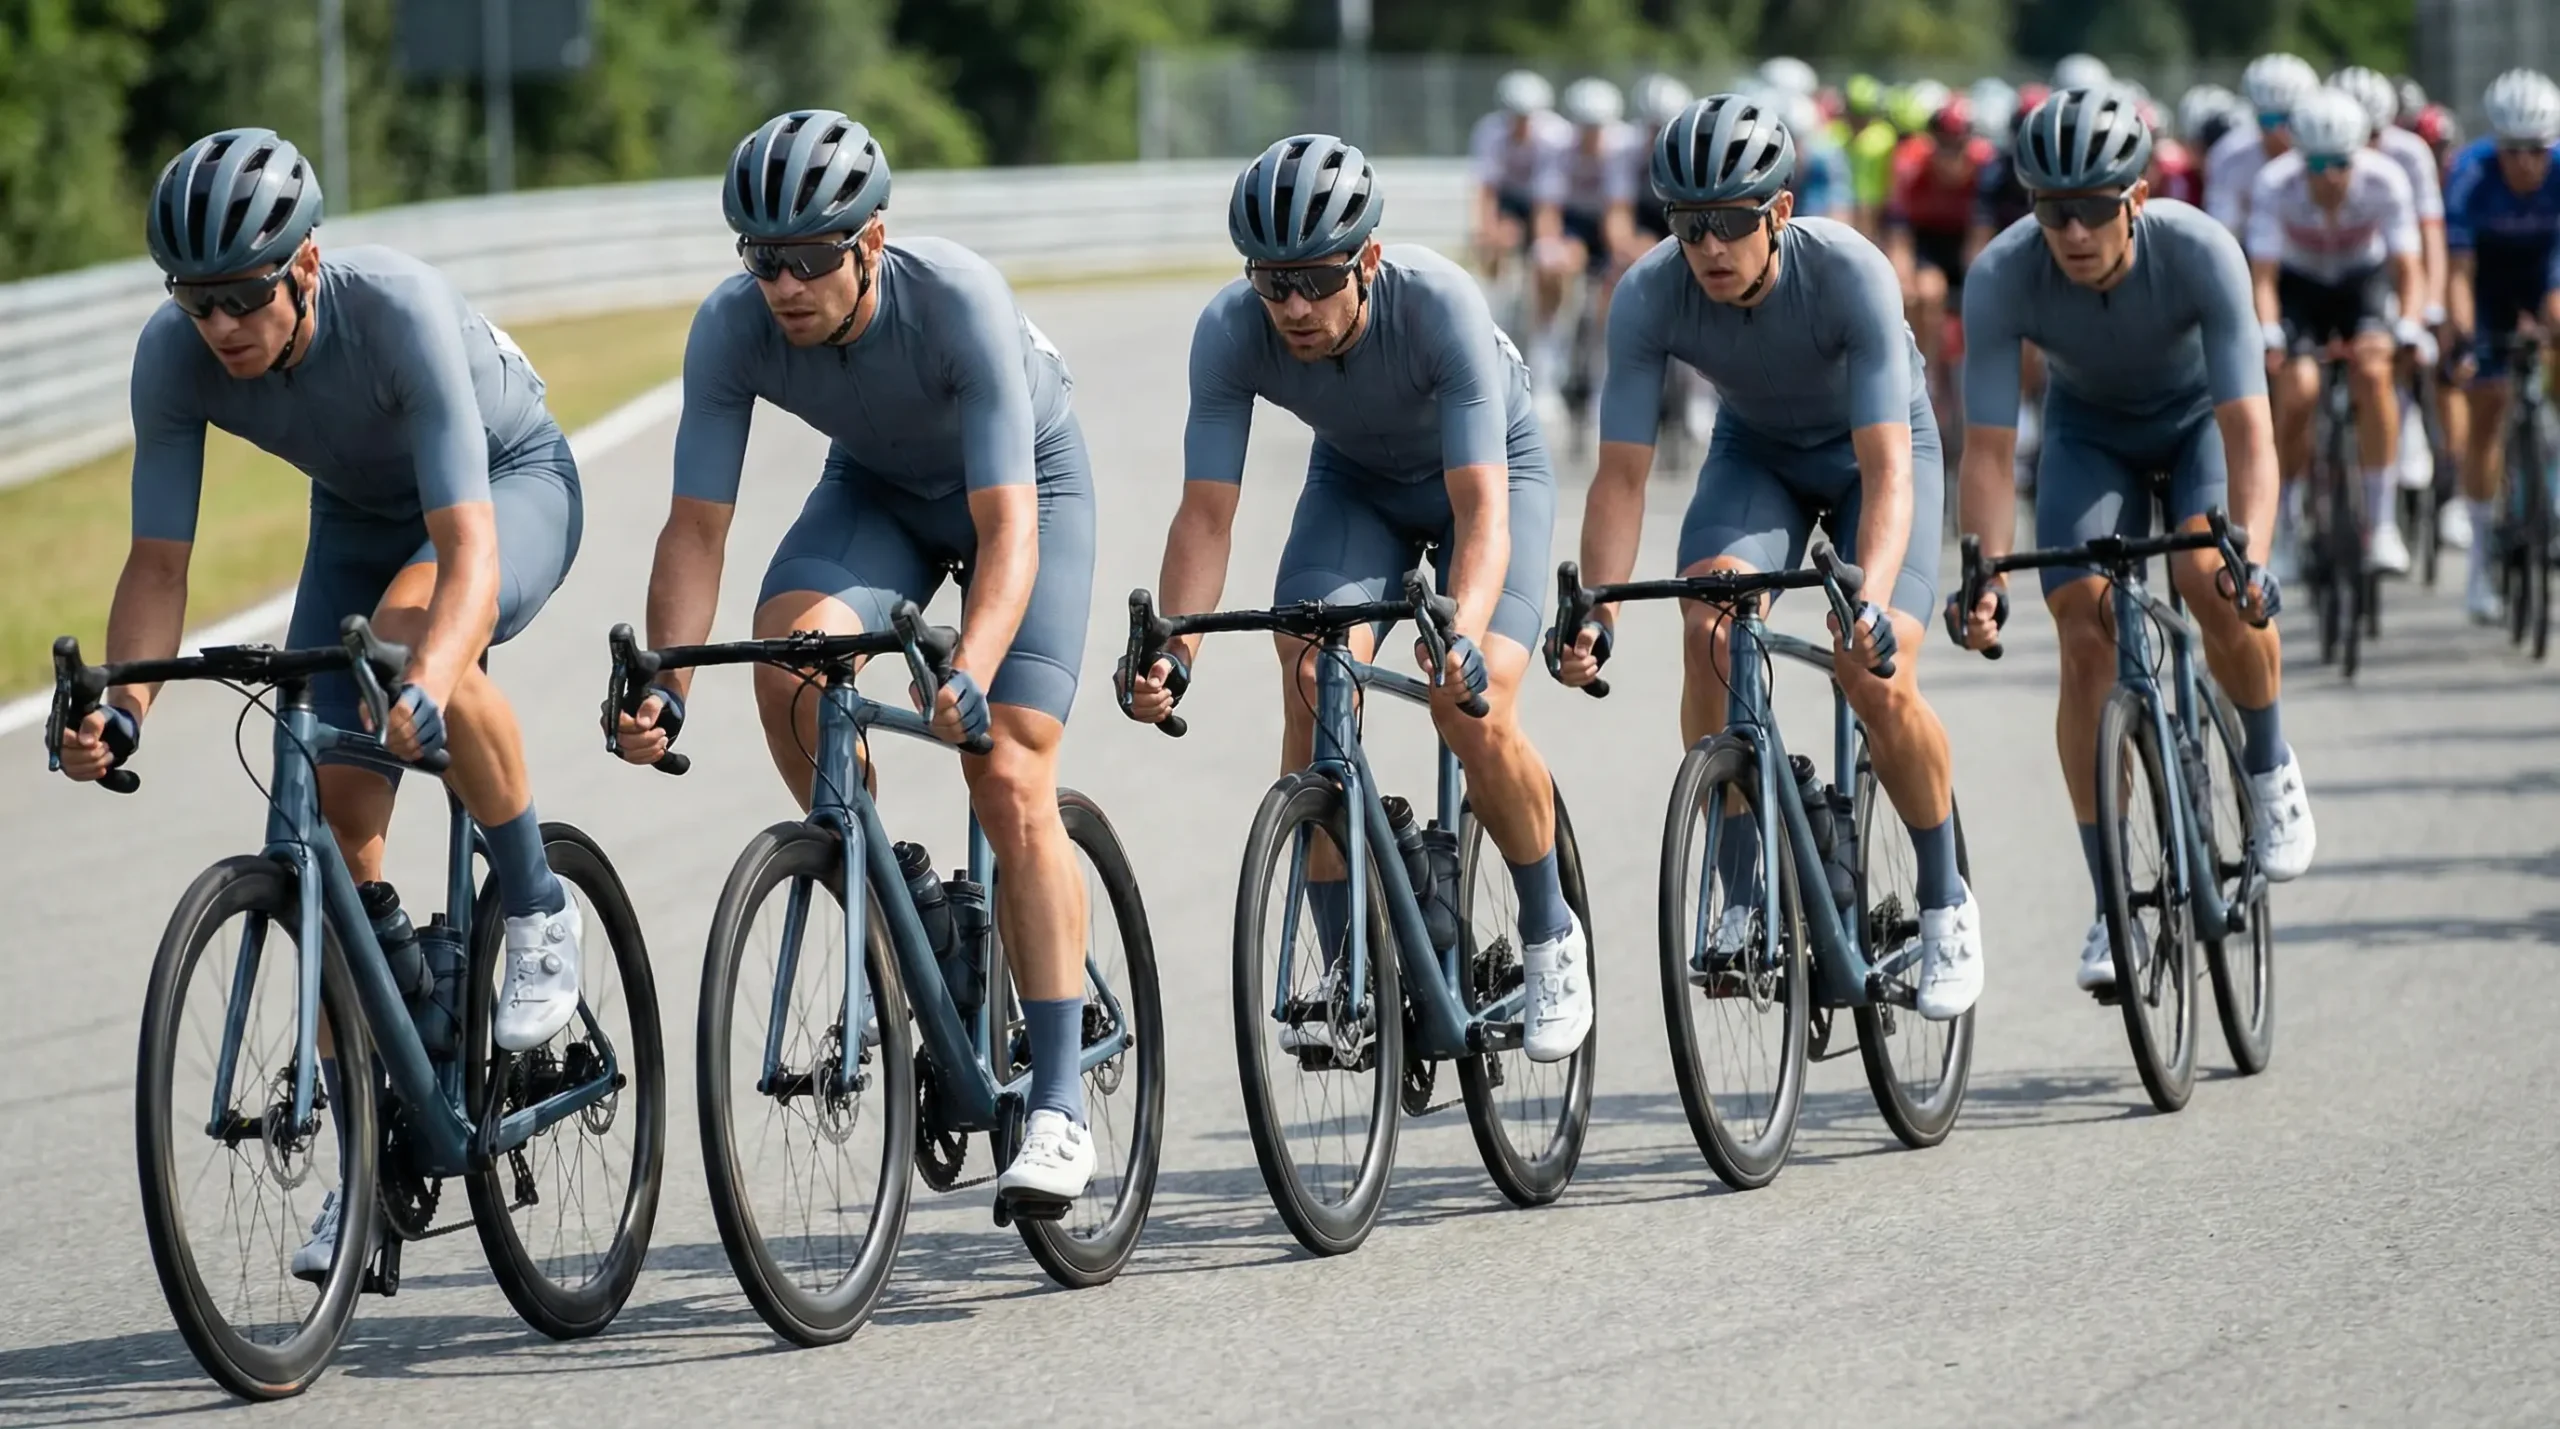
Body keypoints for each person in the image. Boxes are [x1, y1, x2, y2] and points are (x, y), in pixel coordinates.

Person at [64, 127, 589, 1276]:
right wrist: (124, 710)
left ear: (304, 266)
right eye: (195, 298)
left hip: (504, 488)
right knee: (333, 821)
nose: (219, 324)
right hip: (355, 521)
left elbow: (467, 553)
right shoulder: (174, 356)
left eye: (242, 295)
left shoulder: (395, 312)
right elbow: (159, 565)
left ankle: (541, 908)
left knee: (411, 641)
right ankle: (374, 1137)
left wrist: (433, 680)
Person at [609, 110, 1102, 1213]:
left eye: (810, 259)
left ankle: (1060, 1102)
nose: (783, 286)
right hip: (877, 493)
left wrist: (970, 669)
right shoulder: (732, 326)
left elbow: (1009, 530)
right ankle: (898, 895)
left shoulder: (957, 299)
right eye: (762, 259)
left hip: (1025, 493)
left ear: (870, 242)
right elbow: (696, 529)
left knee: (1008, 769)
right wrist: (667, 685)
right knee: (788, 667)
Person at [1124, 134, 1594, 1062]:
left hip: (1487, 478)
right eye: (1273, 282)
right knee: (1311, 677)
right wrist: (1176, 651)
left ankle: (1552, 932)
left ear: (1368, 259)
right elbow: (1206, 517)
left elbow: (1481, 511)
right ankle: (1350, 973)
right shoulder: (1232, 330)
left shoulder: (1440, 305)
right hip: (1357, 486)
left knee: (1474, 702)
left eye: (1315, 280)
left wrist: (1462, 634)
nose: (1293, 307)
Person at [1553, 93, 1984, 1020]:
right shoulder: (1649, 293)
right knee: (1708, 623)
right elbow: (1620, 477)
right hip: (1758, 455)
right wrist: (1600, 610)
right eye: (1688, 225)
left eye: (1731, 224)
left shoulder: (1850, 272)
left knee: (1876, 674)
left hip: (1878, 454)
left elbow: (1887, 469)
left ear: (1780, 212)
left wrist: (1870, 603)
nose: (1708, 247)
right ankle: (1745, 886)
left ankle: (1946, 897)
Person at [1953, 87, 2313, 992]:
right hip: (2090, 436)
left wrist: (2253, 557)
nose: (2073, 232)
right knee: (2082, 624)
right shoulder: (2002, 275)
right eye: (2052, 211)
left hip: (2199, 427)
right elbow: (1989, 453)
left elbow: (2250, 432)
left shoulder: (2201, 250)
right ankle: (2113, 901)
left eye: (2093, 208)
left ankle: (2268, 762)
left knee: (2207, 573)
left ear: (2138, 198)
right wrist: (1984, 574)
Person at [2247, 88, 2429, 577]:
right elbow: (2262, 275)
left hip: (2360, 282)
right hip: (2299, 284)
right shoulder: (2274, 182)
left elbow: (2408, 268)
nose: (2329, 176)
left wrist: (2408, 325)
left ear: (2360, 153)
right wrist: (2269, 332)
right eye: (2317, 163)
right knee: (2299, 389)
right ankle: (2285, 527)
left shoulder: (2385, 179)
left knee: (2374, 374)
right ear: (2299, 157)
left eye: (2341, 163)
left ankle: (2383, 524)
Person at [2444, 69, 2560, 622]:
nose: (2525, 163)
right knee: (2487, 406)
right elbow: (2459, 274)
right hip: (2486, 283)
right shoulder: (2470, 173)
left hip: (2546, 272)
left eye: (2537, 150)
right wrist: (2465, 339)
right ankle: (2479, 564)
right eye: (2512, 150)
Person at [2333, 65, 2460, 546]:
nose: (2364, 146)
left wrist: (2431, 306)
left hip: (2398, 262)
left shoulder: (2407, 155)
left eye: (2374, 135)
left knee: (2412, 338)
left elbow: (2430, 234)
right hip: (2347, 264)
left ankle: (2407, 424)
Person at [1530, 76, 1643, 401]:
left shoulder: (1621, 147)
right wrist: (1550, 249)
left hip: (1610, 221)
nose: (1591, 135)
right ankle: (1548, 369)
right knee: (1550, 268)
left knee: (1616, 284)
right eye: (1585, 127)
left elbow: (1618, 211)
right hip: (1574, 223)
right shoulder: (1558, 147)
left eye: (1597, 128)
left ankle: (1603, 378)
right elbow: (1547, 210)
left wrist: (1620, 254)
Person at [1886, 93, 1997, 387]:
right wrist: (1901, 281)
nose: (1950, 157)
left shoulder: (1986, 165)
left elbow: (1981, 233)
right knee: (1925, 293)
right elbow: (1899, 233)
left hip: (1966, 242)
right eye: (1943, 145)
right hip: (1928, 242)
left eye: (1957, 146)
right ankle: (1926, 374)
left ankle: (1975, 373)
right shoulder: (1913, 165)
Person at [1472, 71, 1570, 285]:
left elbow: (1548, 202)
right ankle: (1495, 290)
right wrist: (1487, 231)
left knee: (1547, 257)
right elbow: (1487, 189)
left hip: (1547, 201)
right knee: (1493, 242)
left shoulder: (1556, 136)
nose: (1522, 124)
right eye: (1516, 117)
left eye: (1527, 117)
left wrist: (1545, 246)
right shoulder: (1489, 131)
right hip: (1510, 199)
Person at [2209, 54, 2321, 240]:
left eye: (2289, 119)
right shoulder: (2228, 155)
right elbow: (2222, 233)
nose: (2278, 131)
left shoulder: (2326, 156)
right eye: (2268, 119)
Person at [1632, 74, 1698, 244]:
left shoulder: (1695, 156)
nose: (1659, 137)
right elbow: (1620, 213)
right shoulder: (1628, 150)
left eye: (1665, 129)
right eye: (1654, 129)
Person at [1837, 74, 1902, 235]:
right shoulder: (1835, 134)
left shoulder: (1885, 136)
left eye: (1862, 114)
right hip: (1843, 203)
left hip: (1878, 206)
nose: (1856, 119)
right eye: (1853, 112)